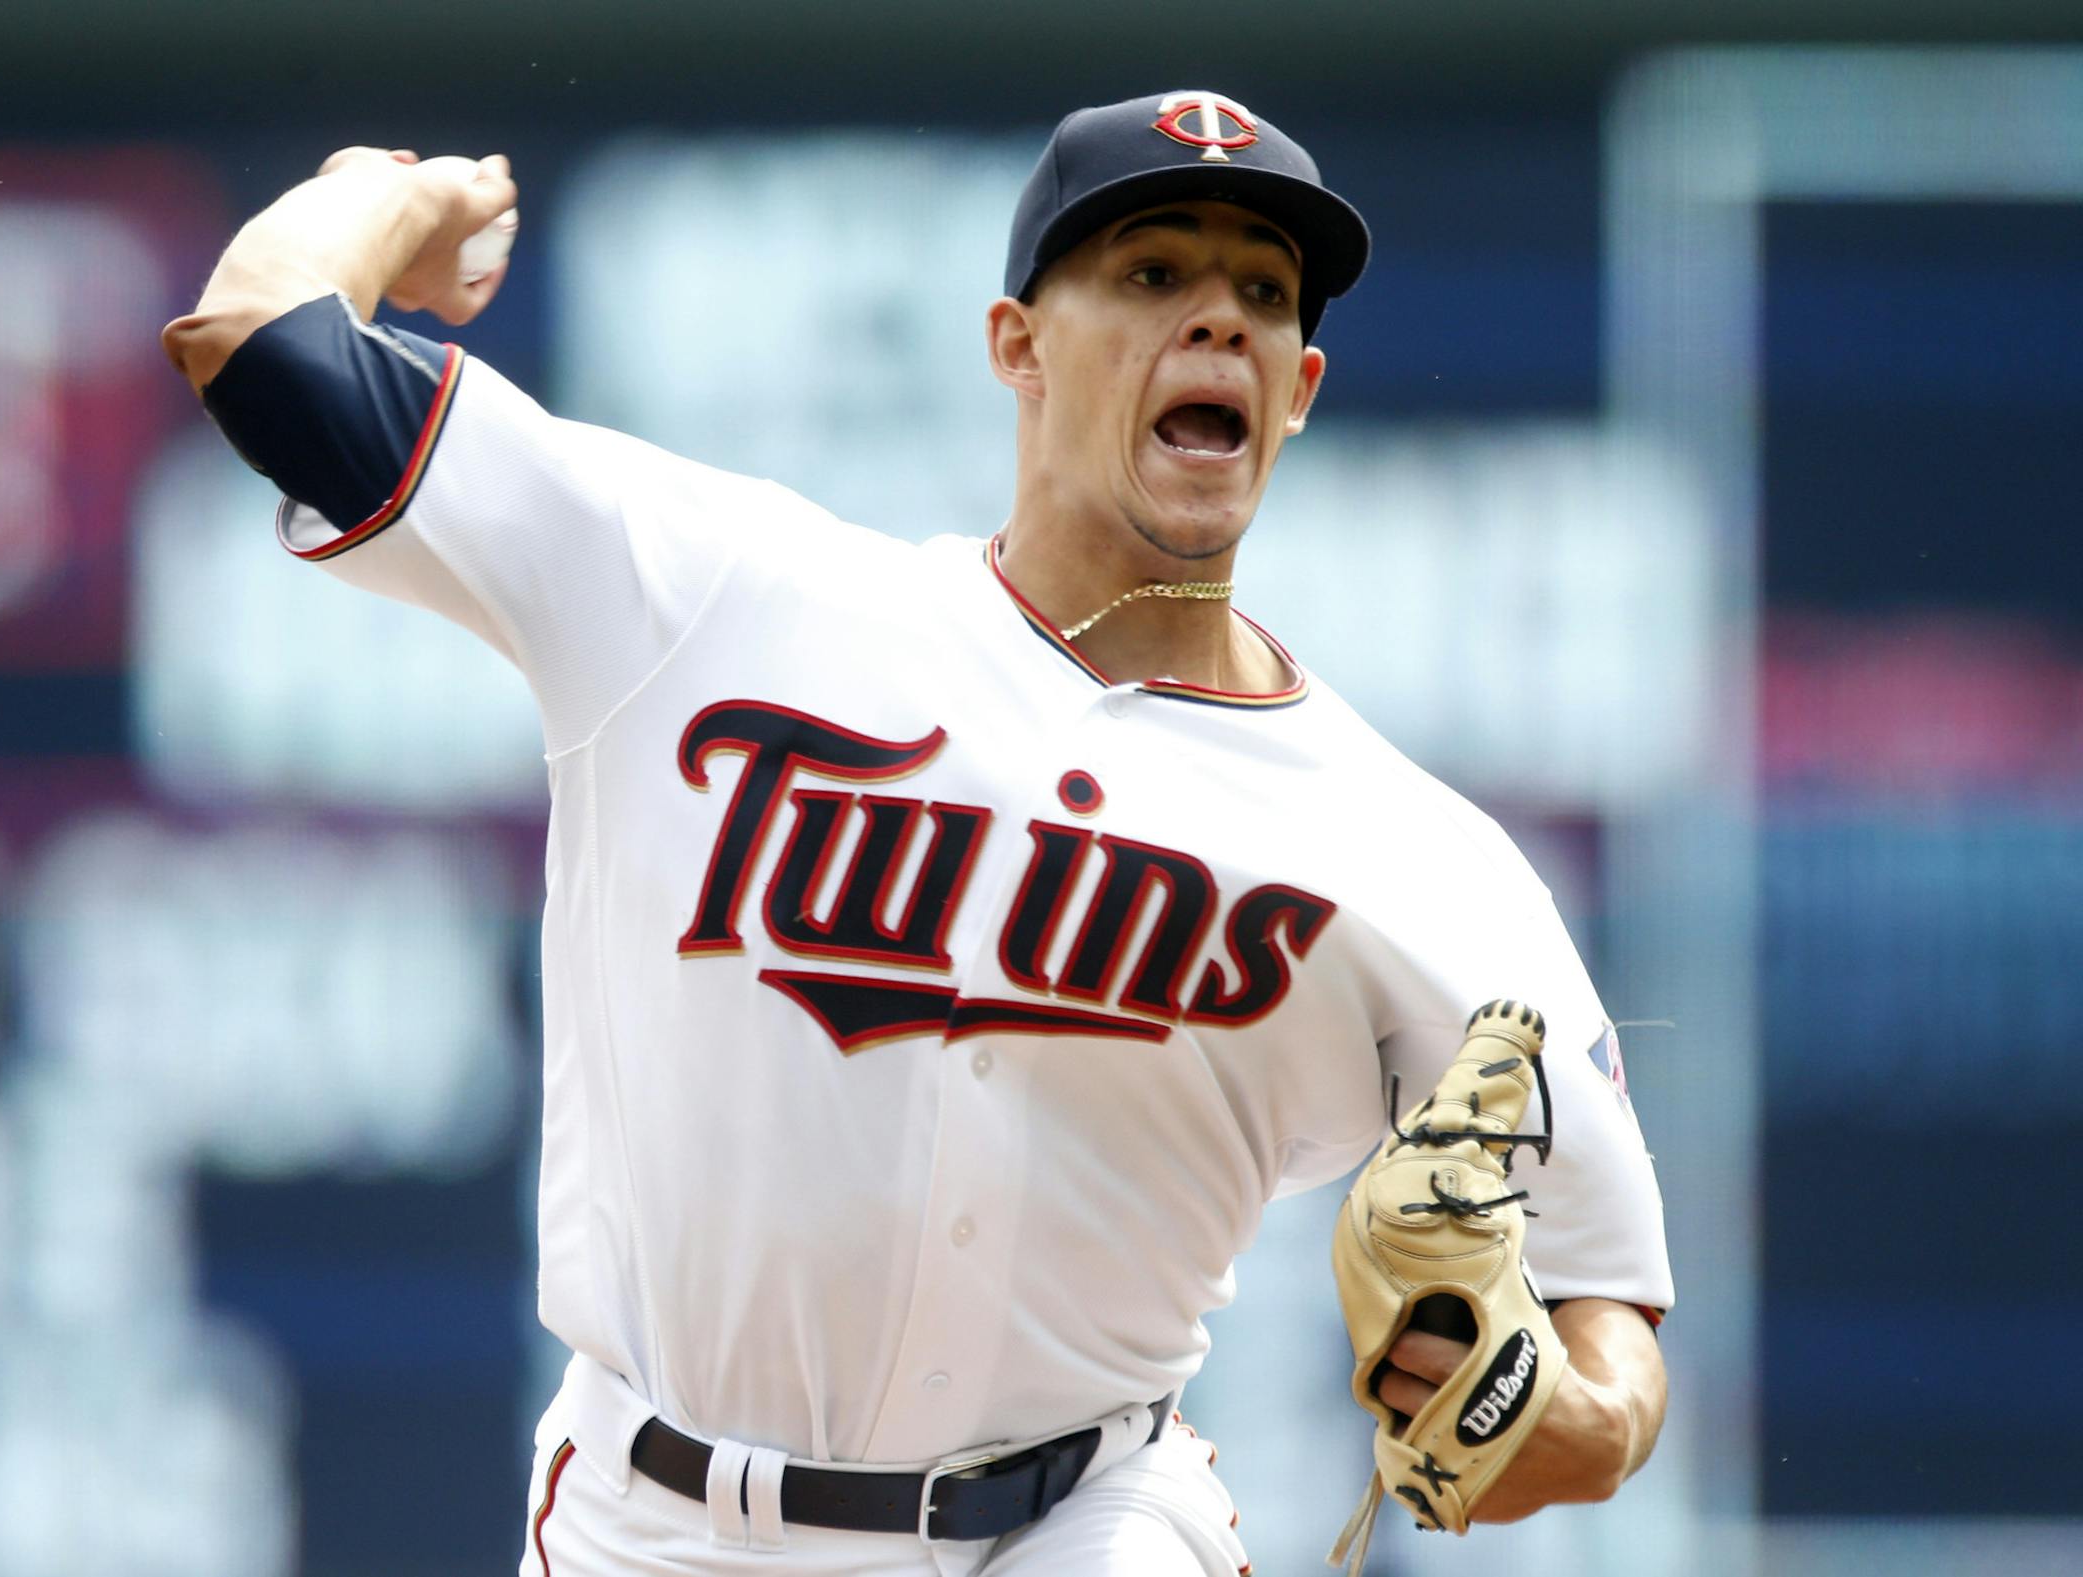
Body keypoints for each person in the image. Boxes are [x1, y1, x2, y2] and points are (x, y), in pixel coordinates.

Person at [162, 90, 1671, 1577]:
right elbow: (263, 340)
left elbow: (1606, 1294)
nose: (1218, 322)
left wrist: (1585, 1420)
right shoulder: (717, 601)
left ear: (1301, 386)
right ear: (1015, 343)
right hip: (661, 1523)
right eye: (1153, 274)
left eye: (1263, 297)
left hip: (1090, 1521)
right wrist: (398, 197)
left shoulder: (1410, 856)